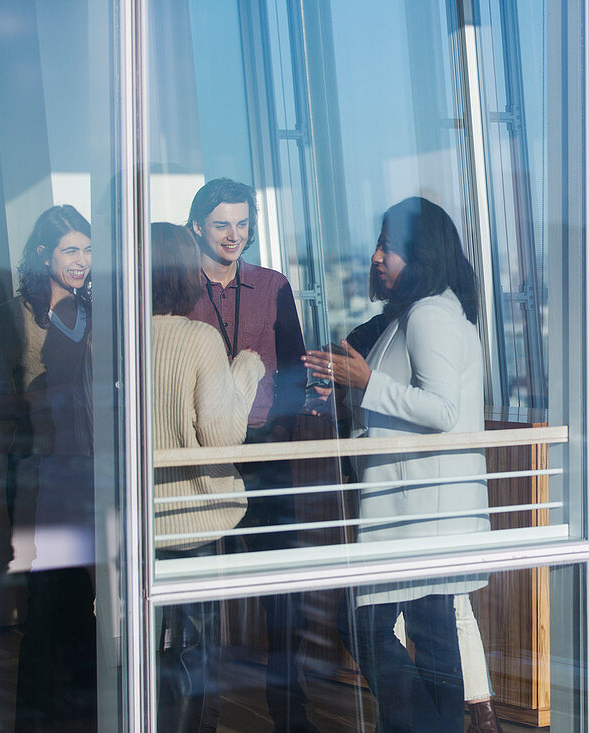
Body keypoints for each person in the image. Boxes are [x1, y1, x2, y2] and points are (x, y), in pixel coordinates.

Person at [304, 197, 490, 733]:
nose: (377, 257)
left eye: (388, 246)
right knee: (433, 635)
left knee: (360, 623)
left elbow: (442, 410)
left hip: (421, 508)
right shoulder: (421, 312)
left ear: (419, 253)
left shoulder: (431, 314)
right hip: (422, 505)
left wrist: (366, 384)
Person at [185, 178, 321, 732]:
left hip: (264, 450)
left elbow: (292, 366)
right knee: (200, 603)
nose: (234, 235)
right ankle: (199, 720)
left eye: (243, 224)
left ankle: (292, 720)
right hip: (197, 454)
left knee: (282, 597)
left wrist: (283, 426)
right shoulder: (173, 287)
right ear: (198, 227)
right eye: (222, 224)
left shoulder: (272, 284)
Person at [0, 204, 97, 731]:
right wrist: (43, 398)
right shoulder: (13, 315)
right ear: (44, 253)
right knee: (49, 604)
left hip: (94, 474)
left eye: (88, 250)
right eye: (71, 250)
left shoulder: (99, 313)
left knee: (91, 601)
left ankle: (88, 716)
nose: (82, 262)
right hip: (39, 475)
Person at [150, 222, 264, 733]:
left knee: (147, 647)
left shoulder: (108, 342)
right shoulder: (199, 339)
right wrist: (247, 368)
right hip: (194, 516)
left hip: (139, 519)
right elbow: (223, 436)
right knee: (196, 649)